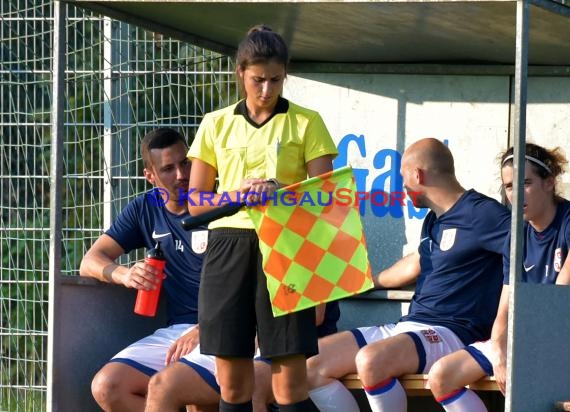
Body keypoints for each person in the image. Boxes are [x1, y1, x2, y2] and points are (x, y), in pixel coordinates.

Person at [186, 24, 338, 412]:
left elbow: (326, 199)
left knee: (290, 385)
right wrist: (237, 195)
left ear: (285, 73)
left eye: (275, 79)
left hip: (287, 247)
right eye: (258, 80)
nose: (266, 90)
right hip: (228, 249)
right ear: (240, 73)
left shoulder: (307, 122)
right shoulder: (215, 123)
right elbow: (197, 203)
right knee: (233, 387)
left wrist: (279, 193)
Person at [306, 137, 512, 412]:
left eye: (403, 177)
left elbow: (525, 254)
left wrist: (501, 336)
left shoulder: (483, 213)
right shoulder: (433, 219)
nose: (402, 187)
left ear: (418, 174)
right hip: (409, 325)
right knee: (312, 366)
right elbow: (415, 263)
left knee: (371, 361)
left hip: (452, 331)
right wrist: (366, 282)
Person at [427, 143, 570, 411]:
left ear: (549, 183)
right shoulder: (516, 238)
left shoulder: (568, 223)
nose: (515, 195)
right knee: (442, 377)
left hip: (559, 340)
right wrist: (500, 352)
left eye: (525, 183)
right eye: (509, 187)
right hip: (529, 340)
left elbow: (558, 306)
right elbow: (505, 308)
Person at [80, 127, 215, 412]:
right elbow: (90, 261)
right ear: (150, 177)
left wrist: (210, 327)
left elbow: (251, 280)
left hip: (224, 329)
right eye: (168, 168)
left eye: (185, 163)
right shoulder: (146, 206)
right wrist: (125, 275)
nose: (181, 175)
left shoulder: (217, 203)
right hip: (176, 332)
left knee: (186, 392)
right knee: (107, 386)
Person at [144, 302, 340, 412]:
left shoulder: (303, 232)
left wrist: (256, 335)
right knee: (162, 386)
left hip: (295, 339)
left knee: (248, 386)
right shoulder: (232, 234)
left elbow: (314, 314)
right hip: (238, 337)